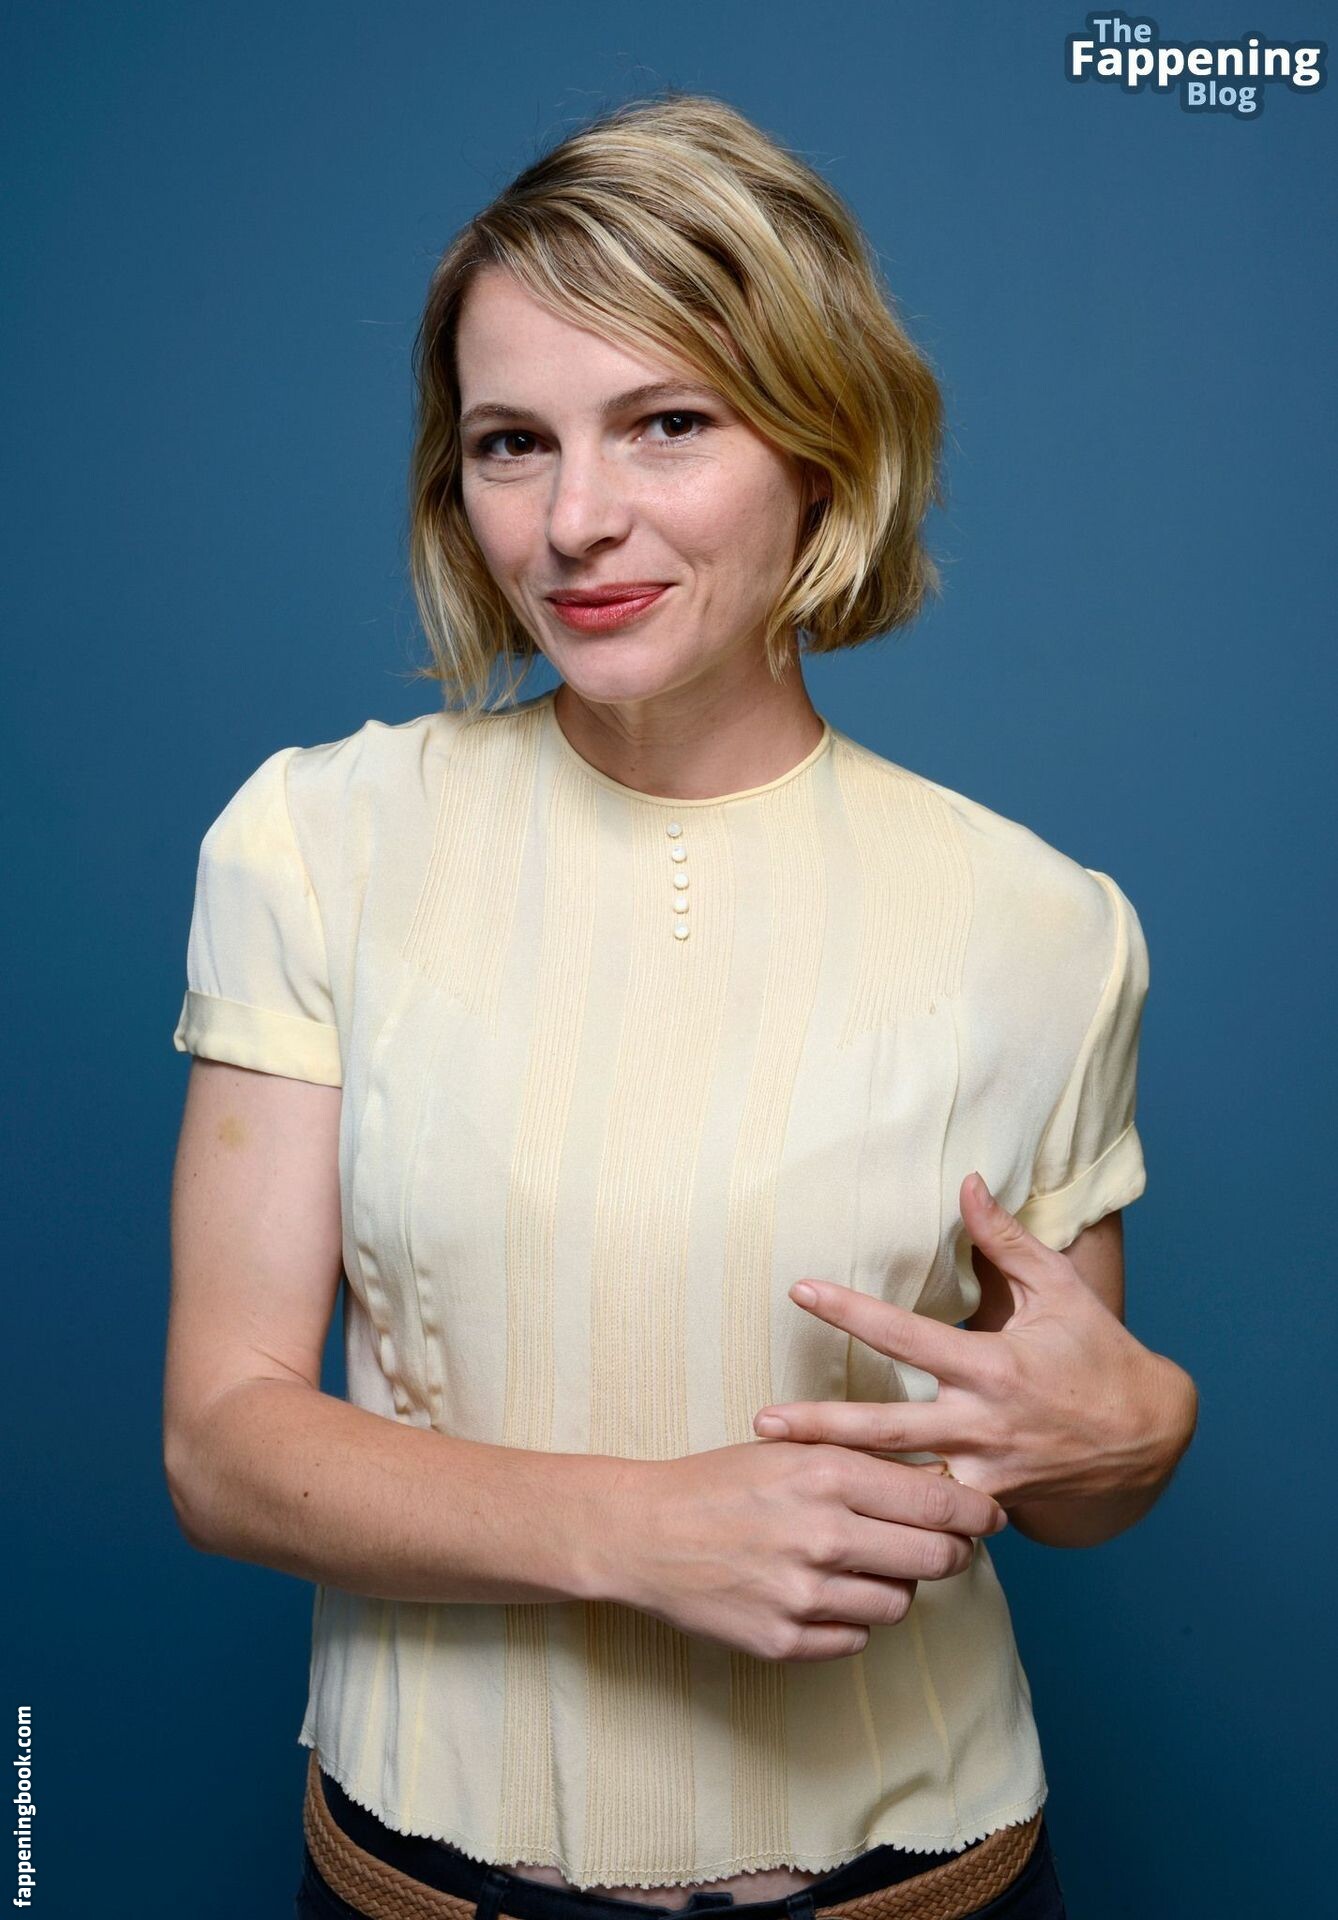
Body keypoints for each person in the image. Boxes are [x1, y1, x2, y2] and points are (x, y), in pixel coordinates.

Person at [164, 91, 1198, 1920]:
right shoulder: (315, 844)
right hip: (428, 1883)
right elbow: (223, 1441)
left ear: (817, 443)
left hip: (921, 1881)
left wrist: (1132, 1438)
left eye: (667, 422)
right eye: (511, 443)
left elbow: (1056, 1471)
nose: (576, 520)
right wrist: (642, 1532)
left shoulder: (1043, 926)